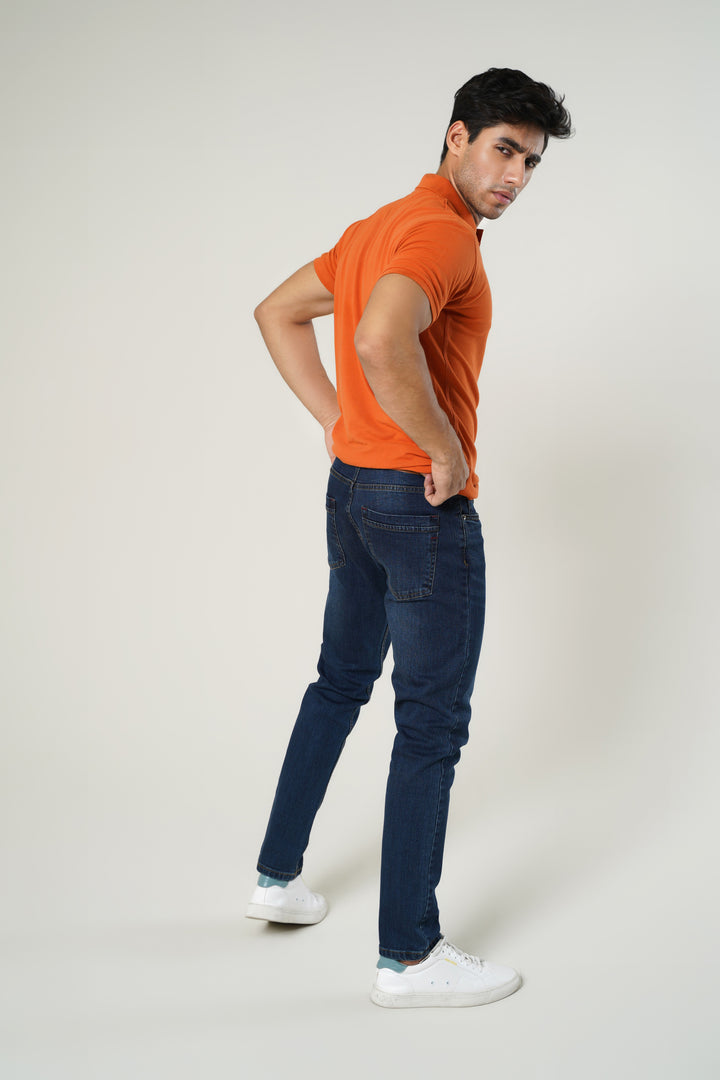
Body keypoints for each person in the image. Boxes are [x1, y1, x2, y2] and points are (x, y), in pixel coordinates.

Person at [246, 67, 572, 1008]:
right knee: (430, 725)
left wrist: (338, 421)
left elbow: (277, 311)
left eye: (531, 162)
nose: (514, 176)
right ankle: (411, 957)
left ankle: (275, 878)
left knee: (339, 682)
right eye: (503, 150)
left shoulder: (378, 226)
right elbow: (381, 340)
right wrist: (444, 452)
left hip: (354, 490)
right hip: (418, 505)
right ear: (456, 135)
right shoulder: (440, 233)